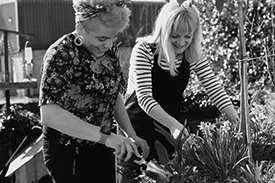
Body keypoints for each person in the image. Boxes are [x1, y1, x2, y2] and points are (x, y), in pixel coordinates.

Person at [117, 0, 239, 182]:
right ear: (164, 30)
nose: (181, 42)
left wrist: (238, 123)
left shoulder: (192, 54)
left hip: (169, 131)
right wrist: (174, 125)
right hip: (136, 130)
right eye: (175, 36)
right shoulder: (144, 50)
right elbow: (144, 98)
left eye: (187, 36)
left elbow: (215, 89)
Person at [38, 0, 149, 183]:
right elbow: (49, 114)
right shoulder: (60, 54)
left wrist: (130, 133)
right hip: (68, 150)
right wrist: (106, 138)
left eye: (113, 38)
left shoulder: (109, 50)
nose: (109, 45)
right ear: (80, 28)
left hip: (102, 146)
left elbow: (112, 95)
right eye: (102, 39)